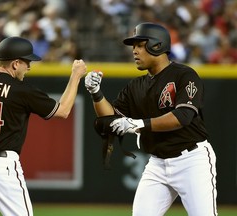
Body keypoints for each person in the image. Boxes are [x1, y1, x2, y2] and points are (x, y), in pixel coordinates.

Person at [85, 22, 217, 215]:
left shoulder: (184, 75)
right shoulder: (136, 86)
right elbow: (110, 119)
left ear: (157, 45)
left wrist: (139, 124)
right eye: (134, 46)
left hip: (191, 160)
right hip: (157, 164)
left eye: (140, 45)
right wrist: (96, 93)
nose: (134, 51)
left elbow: (183, 116)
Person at [0, 36, 86, 216]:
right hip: (0, 165)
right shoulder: (21, 90)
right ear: (15, 64)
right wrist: (75, 76)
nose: (28, 67)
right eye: (26, 62)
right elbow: (63, 111)